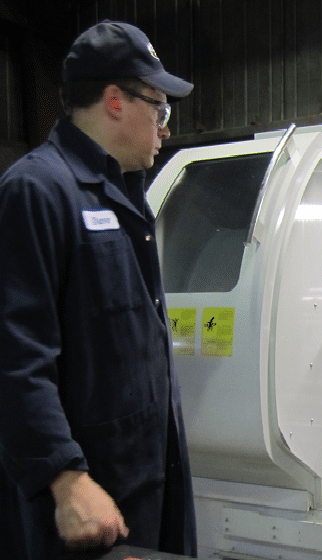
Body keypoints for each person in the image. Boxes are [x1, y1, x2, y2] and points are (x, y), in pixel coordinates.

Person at [0, 21, 197, 559]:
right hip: (82, 511)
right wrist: (64, 478)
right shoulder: (38, 191)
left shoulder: (125, 198)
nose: (164, 129)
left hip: (142, 493)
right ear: (115, 100)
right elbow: (16, 356)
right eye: (160, 109)